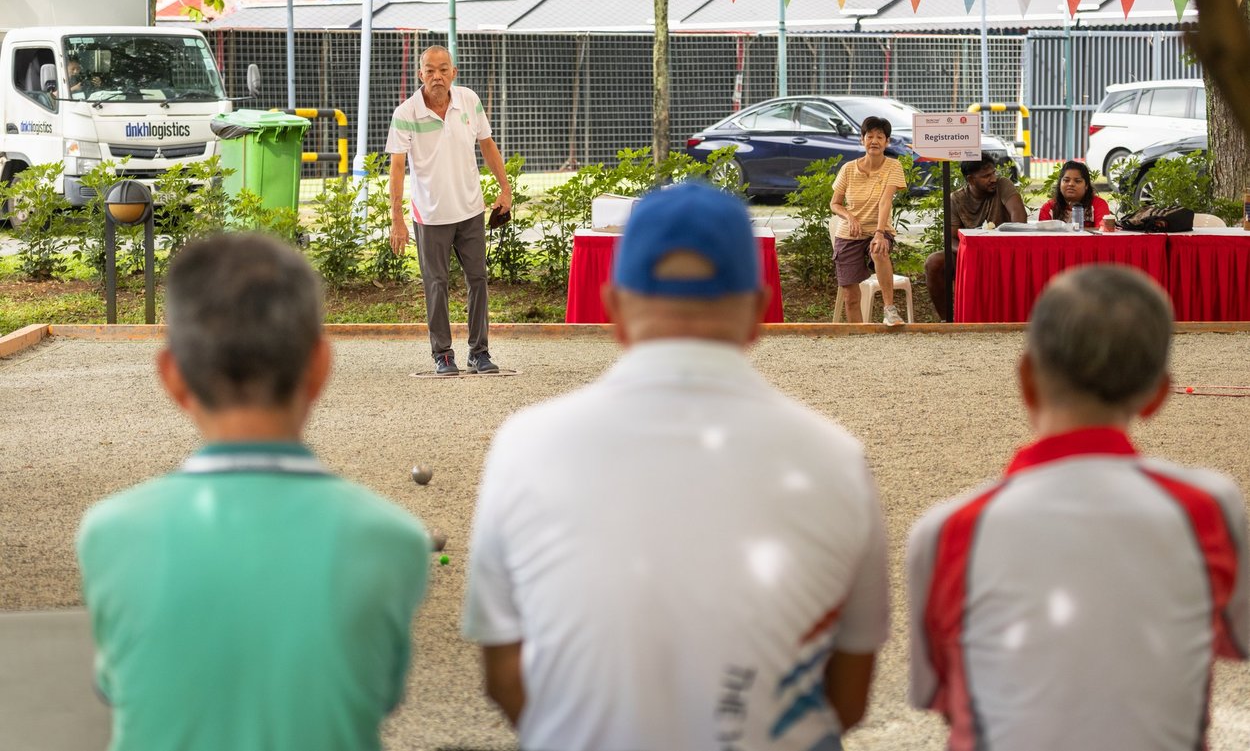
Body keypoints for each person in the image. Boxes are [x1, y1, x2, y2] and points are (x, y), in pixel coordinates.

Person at [463, 181, 890, 751]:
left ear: (613, 307)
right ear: (760, 313)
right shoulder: (835, 459)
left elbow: (506, 680)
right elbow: (848, 697)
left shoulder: (525, 447)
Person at [76, 233, 431, 751]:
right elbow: (379, 694)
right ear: (320, 366)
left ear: (172, 376)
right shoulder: (393, 539)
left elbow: (120, 689)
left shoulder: (109, 533)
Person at [907, 265, 1249, 751]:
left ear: (1027, 378)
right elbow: (1231, 640)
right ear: (1157, 396)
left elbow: (945, 696)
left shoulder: (948, 530)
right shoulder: (1208, 508)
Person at [387, 45, 512, 375]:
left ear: (453, 73)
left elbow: (487, 145)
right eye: (430, 70)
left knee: (478, 279)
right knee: (436, 284)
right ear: (420, 74)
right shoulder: (405, 113)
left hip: (470, 208)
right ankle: (442, 353)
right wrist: (396, 219)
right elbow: (397, 168)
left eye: (443, 69)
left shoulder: (469, 100)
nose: (437, 76)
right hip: (430, 214)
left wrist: (504, 187)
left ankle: (479, 352)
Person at [924, 154, 1027, 320]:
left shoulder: (1002, 184)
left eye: (993, 173)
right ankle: (947, 320)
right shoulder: (956, 199)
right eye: (986, 176)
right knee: (934, 262)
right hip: (971, 253)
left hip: (1004, 251)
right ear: (971, 180)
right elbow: (950, 238)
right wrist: (968, 252)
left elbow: (1019, 215)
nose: (993, 179)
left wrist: (1009, 245)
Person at [830, 116, 908, 325]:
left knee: (878, 250)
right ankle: (859, 335)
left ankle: (889, 310)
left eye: (879, 137)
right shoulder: (848, 169)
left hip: (879, 230)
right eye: (869, 136)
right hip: (849, 234)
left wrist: (880, 233)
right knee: (851, 297)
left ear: (887, 142)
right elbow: (835, 204)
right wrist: (850, 217)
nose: (874, 141)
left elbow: (885, 201)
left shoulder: (893, 167)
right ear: (862, 140)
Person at [1038, 159, 1111, 228]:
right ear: (1060, 184)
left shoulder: (1098, 205)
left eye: (1077, 181)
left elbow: (1102, 235)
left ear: (1086, 186)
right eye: (1066, 180)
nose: (1071, 184)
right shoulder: (1048, 208)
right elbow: (1044, 238)